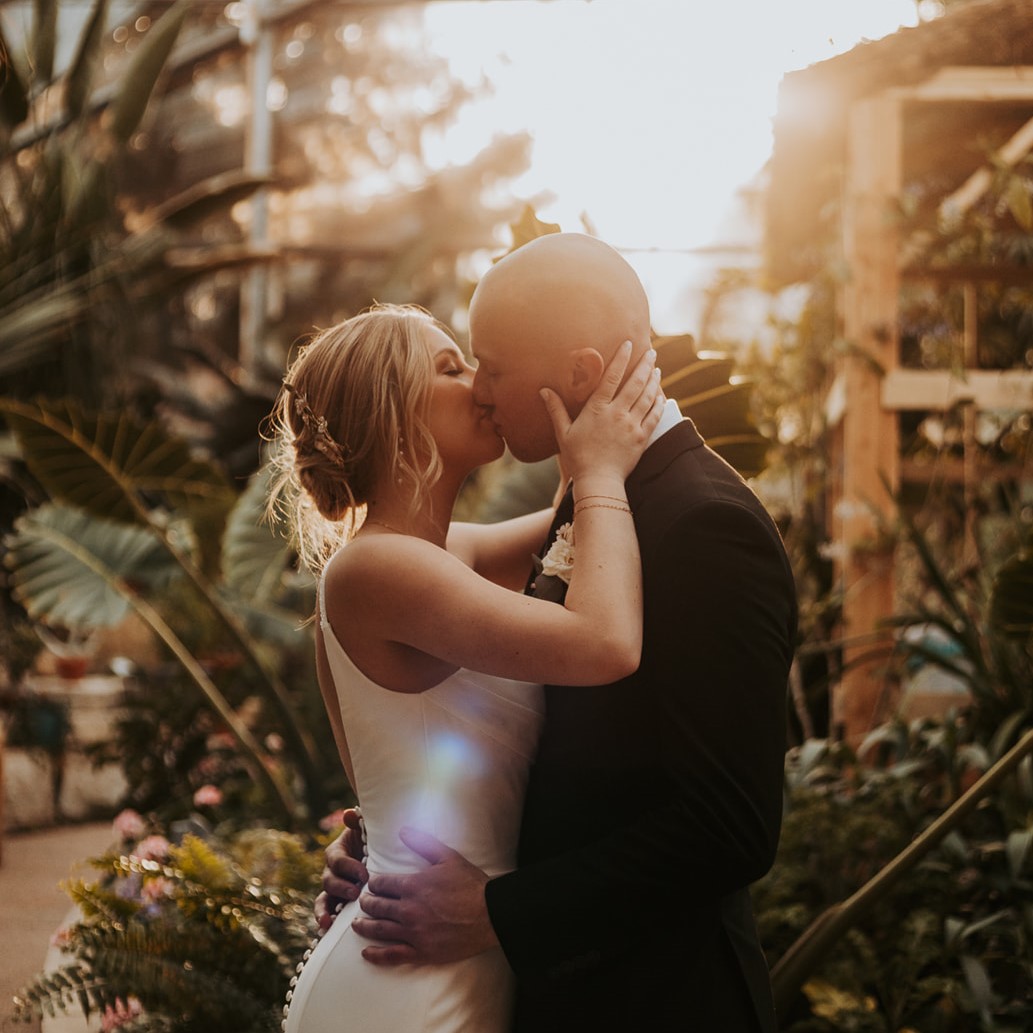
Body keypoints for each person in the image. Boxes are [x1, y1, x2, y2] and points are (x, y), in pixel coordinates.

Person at [318, 234, 799, 1032]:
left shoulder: (702, 523)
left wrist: (499, 910)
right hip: (497, 983)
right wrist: (381, 841)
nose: (481, 386)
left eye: (490, 364)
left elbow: (731, 826)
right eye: (458, 366)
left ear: (577, 375)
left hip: (656, 1003)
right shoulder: (591, 503)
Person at [268, 301, 665, 1032]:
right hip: (404, 981)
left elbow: (574, 527)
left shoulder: (452, 557)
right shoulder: (375, 568)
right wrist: (601, 467)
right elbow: (605, 640)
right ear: (394, 417)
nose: (481, 382)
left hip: (458, 952)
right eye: (451, 368)